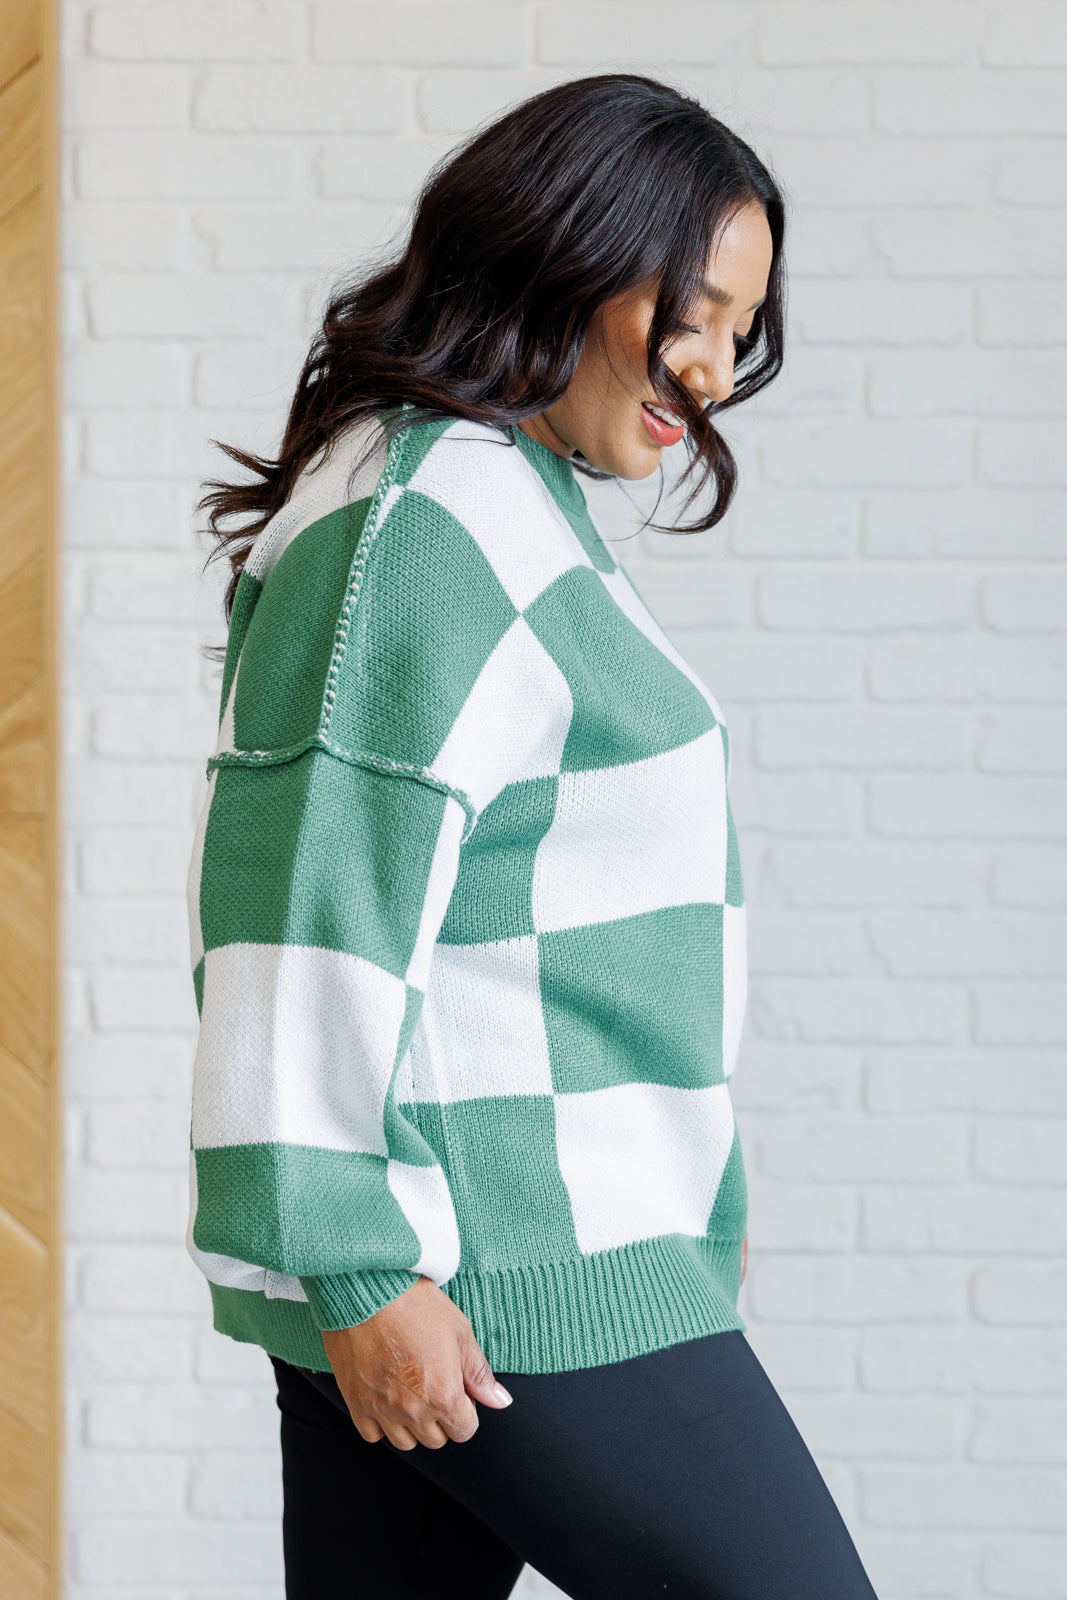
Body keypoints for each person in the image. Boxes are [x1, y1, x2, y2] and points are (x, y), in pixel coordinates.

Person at [187, 73, 880, 1600]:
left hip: (504, 1249)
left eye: (736, 334)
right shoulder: (426, 522)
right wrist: (358, 1269)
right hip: (502, 1268)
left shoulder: (501, 498)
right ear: (556, 252)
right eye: (685, 310)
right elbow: (307, 904)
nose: (706, 369)